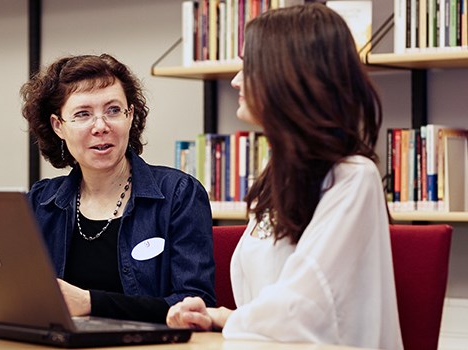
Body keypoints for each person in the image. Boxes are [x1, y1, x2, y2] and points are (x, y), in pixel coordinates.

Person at [166, 4, 403, 349]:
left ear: (288, 75)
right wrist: (208, 316)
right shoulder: (277, 174)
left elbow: (307, 307)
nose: (235, 80)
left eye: (248, 66)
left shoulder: (354, 178)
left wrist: (224, 317)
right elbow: (273, 303)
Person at [0, 53, 216, 324]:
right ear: (58, 126)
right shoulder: (39, 202)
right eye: (83, 114)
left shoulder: (179, 194)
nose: (101, 126)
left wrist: (90, 302)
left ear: (130, 116)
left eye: (113, 110)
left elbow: (195, 304)